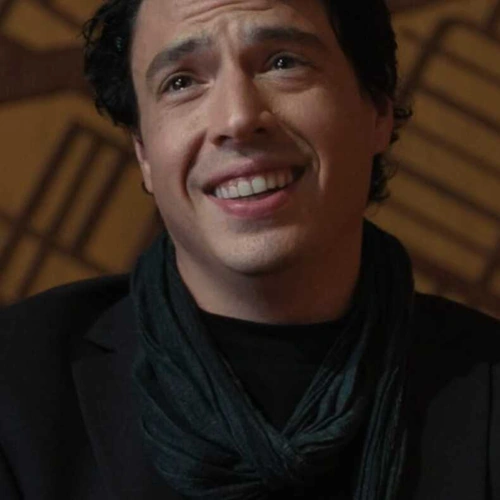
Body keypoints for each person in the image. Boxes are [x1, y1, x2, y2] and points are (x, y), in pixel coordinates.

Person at [1, 0, 498, 498]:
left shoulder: (486, 381)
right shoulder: (16, 386)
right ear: (144, 152)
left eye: (283, 62)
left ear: (378, 110)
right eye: (181, 82)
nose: (237, 118)